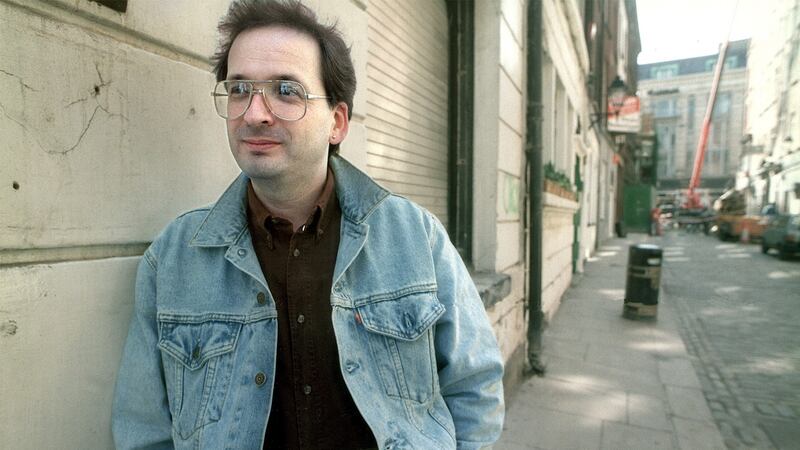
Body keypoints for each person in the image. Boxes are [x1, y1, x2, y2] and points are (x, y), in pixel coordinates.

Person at [111, 1, 504, 449]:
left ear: (337, 122)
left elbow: (476, 384)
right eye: (239, 88)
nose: (254, 113)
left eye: (285, 90)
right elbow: (143, 428)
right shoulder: (175, 259)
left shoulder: (416, 237)